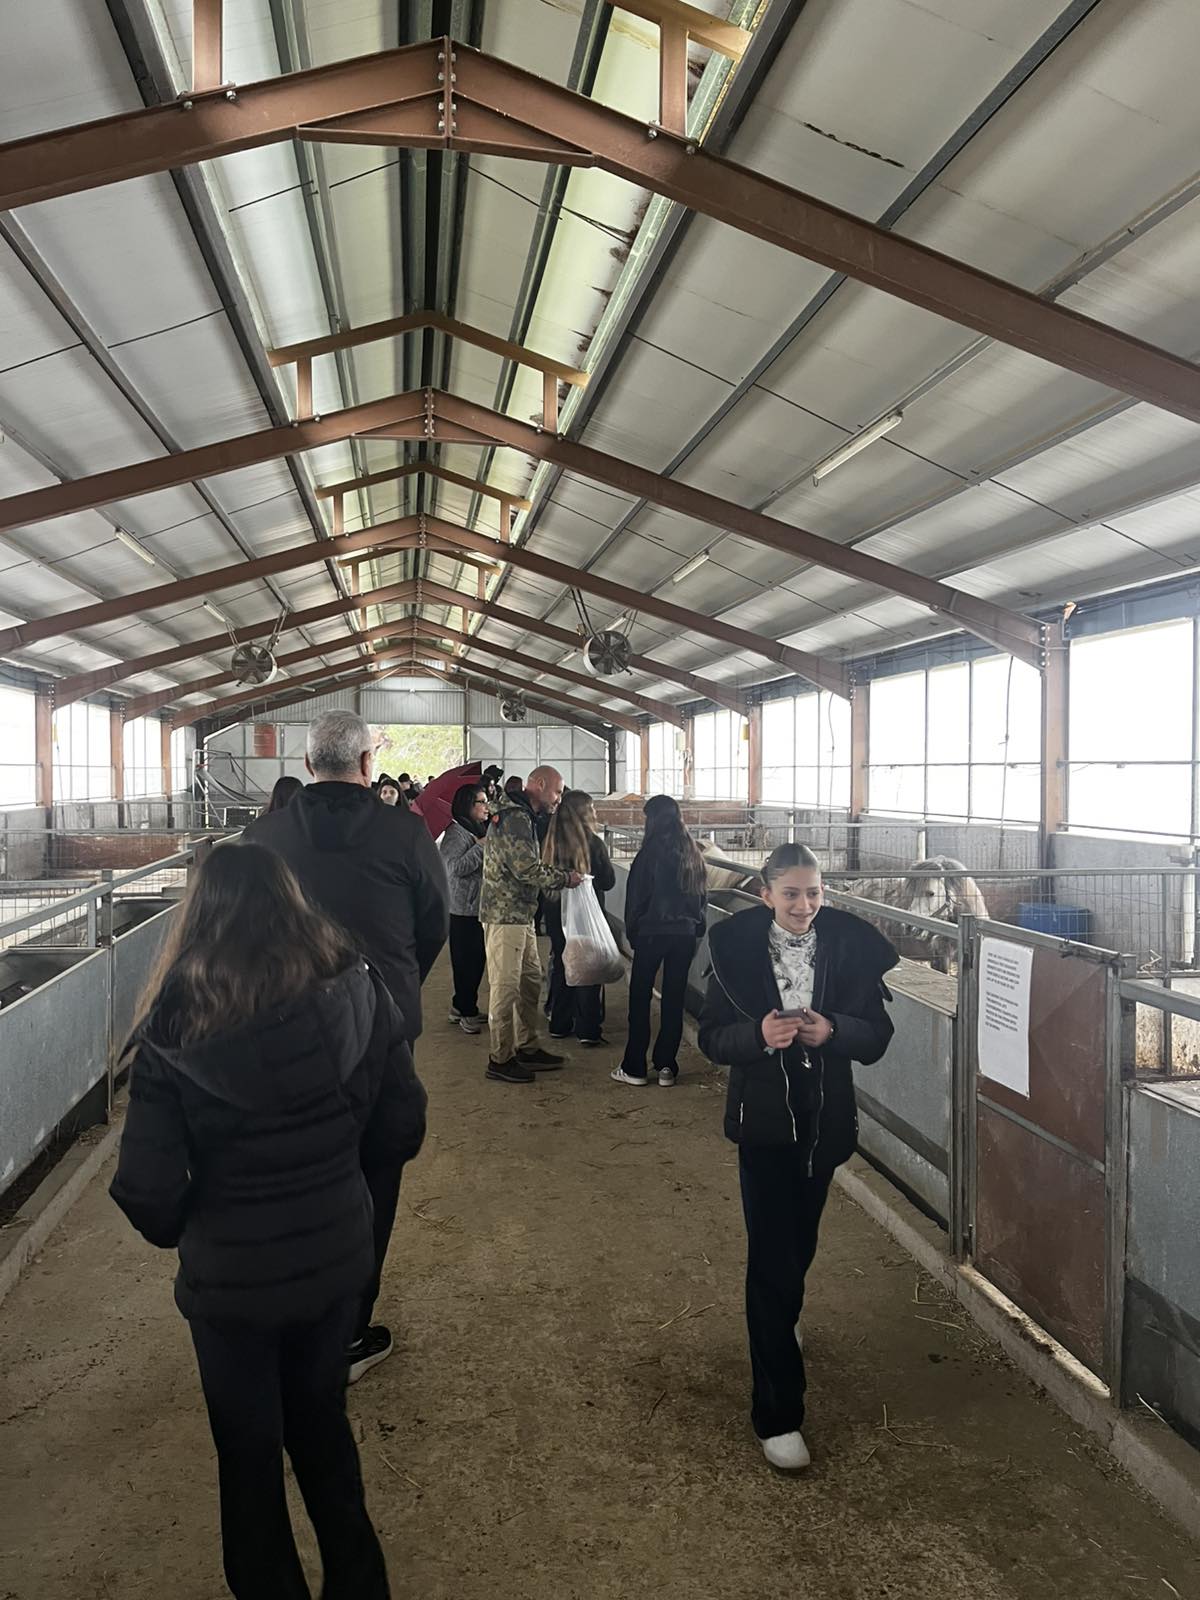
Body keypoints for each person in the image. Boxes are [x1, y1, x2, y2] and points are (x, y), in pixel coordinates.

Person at [111, 844, 425, 1599]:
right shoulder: (356, 988)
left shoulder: (174, 1022)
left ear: (200, 915)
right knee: (322, 1427)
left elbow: (147, 1189)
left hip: (232, 1287)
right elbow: (402, 1125)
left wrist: (196, 1228)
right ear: (293, 902)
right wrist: (340, 1173)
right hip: (335, 1260)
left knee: (248, 1459)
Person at [244, 710, 448, 1379]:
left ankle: (291, 1318)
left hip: (284, 1036)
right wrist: (398, 985)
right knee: (374, 1174)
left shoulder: (264, 836)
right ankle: (348, 1333)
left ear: (307, 765)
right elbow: (433, 924)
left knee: (291, 1175)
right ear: (367, 765)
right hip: (380, 1038)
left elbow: (240, 933)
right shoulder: (406, 832)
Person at [698, 843, 898, 1473]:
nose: (804, 905)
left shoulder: (849, 950)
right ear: (765, 895)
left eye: (813, 892)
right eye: (791, 893)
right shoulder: (735, 953)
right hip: (763, 1126)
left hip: (823, 1124)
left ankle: (785, 1316)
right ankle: (778, 1414)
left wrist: (834, 1030)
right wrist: (758, 1036)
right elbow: (712, 1038)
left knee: (800, 1241)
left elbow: (878, 1036)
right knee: (769, 1260)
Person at [480, 765, 581, 1084]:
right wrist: (565, 878)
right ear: (539, 784)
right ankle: (500, 1058)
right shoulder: (514, 818)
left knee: (530, 981)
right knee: (506, 986)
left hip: (521, 913)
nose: (559, 799)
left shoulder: (524, 816)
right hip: (504, 914)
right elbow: (525, 868)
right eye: (557, 791)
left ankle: (526, 1046)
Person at [611, 794, 708, 1088]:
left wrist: (633, 933)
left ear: (652, 819)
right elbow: (702, 898)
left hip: (652, 933)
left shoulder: (648, 855)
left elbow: (636, 899)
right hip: (685, 935)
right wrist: (697, 930)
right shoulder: (693, 853)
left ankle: (635, 1067)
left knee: (640, 998)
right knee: (674, 999)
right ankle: (667, 1066)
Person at [542, 790, 616, 1047]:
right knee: (589, 967)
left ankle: (559, 1023)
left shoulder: (550, 842)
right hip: (587, 915)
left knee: (562, 962)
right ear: (584, 812)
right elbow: (608, 881)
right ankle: (588, 1028)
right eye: (592, 808)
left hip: (556, 913)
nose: (595, 812)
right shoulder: (593, 843)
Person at [440, 783, 490, 1035]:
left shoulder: (475, 829)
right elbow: (454, 868)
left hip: (476, 906)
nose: (486, 807)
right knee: (466, 963)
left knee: (476, 960)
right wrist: (480, 846)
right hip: (462, 909)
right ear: (467, 805)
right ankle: (467, 1012)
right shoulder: (456, 833)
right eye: (481, 802)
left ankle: (461, 1006)